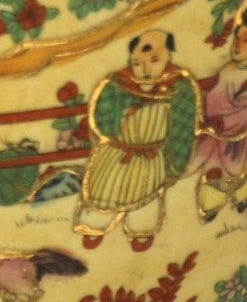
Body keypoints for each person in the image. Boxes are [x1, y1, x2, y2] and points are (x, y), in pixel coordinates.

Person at [75, 30, 199, 252]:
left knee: (147, 194)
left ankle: (141, 231)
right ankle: (94, 226)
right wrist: (122, 118)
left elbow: (183, 128)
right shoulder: (117, 83)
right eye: (138, 63)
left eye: (155, 60)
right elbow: (102, 117)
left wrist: (175, 166)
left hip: (153, 156)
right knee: (104, 188)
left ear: (169, 56)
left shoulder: (178, 86)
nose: (146, 69)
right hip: (116, 152)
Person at [189, 16, 247, 222]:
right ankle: (211, 206)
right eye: (237, 38)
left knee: (244, 165)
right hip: (223, 134)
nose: (237, 44)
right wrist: (223, 122)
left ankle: (243, 198)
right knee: (216, 171)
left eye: (246, 40)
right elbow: (214, 104)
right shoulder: (227, 73)